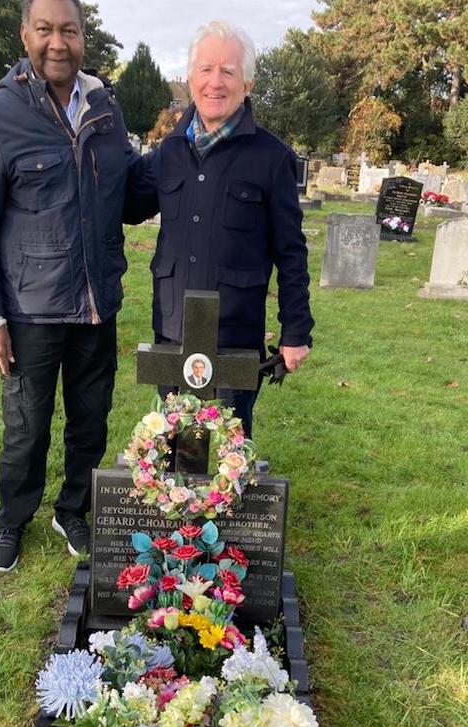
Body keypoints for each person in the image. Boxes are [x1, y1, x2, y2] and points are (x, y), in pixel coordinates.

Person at [0, 0, 143, 572]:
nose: (57, 42)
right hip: (29, 310)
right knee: (27, 427)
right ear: (25, 35)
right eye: (45, 30)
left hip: (96, 304)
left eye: (69, 29)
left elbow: (130, 193)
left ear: (83, 37)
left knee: (91, 418)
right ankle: (12, 519)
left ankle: (74, 510)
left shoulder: (104, 108)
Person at [145, 21, 314, 437]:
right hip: (173, 329)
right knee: (171, 450)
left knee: (226, 457)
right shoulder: (168, 151)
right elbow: (125, 202)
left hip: (234, 334)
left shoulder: (272, 158)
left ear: (248, 83)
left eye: (228, 71)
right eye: (205, 69)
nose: (214, 82)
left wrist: (296, 331)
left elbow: (291, 251)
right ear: (190, 78)